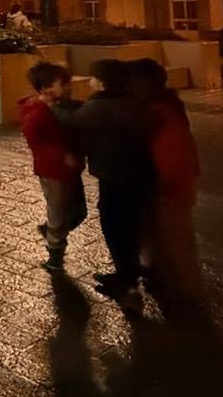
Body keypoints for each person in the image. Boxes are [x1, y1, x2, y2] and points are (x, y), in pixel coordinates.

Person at [52, 58, 151, 310]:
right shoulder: (133, 103)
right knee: (131, 225)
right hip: (139, 175)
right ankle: (130, 271)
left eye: (94, 77)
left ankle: (126, 281)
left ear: (102, 81)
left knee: (115, 227)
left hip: (114, 176)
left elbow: (71, 119)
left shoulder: (100, 108)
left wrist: (53, 104)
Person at [124, 58, 204, 312]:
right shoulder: (165, 105)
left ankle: (188, 295)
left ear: (145, 83)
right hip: (167, 184)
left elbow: (173, 153)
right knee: (160, 237)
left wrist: (166, 184)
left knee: (176, 241)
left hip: (168, 186)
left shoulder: (157, 111)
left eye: (132, 81)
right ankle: (165, 281)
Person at [18, 62, 86, 271]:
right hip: (53, 170)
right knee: (58, 211)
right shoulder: (36, 113)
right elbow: (37, 143)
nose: (68, 87)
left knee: (78, 212)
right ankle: (55, 253)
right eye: (62, 83)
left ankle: (51, 231)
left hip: (70, 168)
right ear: (46, 88)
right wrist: (63, 156)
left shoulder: (62, 107)